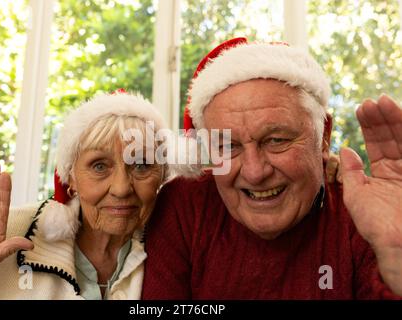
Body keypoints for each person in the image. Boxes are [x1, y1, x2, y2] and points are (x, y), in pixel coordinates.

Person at [142, 37, 402, 299]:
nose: (255, 173)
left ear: (324, 136)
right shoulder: (184, 207)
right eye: (228, 146)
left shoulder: (364, 215)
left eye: (277, 140)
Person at [0, 91, 172, 299]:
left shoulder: (176, 246)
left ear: (162, 175)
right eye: (99, 166)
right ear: (71, 177)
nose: (122, 188)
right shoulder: (0, 235)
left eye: (142, 165)